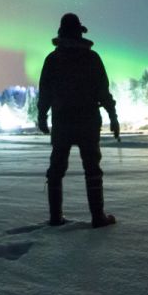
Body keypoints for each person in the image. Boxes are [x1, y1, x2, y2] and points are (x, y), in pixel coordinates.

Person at [36, 12, 120, 228]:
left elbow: (45, 93)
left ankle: (56, 218)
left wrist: (42, 116)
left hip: (62, 122)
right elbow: (103, 92)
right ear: (79, 32)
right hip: (88, 122)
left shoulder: (53, 59)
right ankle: (97, 217)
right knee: (92, 168)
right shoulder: (92, 58)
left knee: (56, 169)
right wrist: (113, 116)